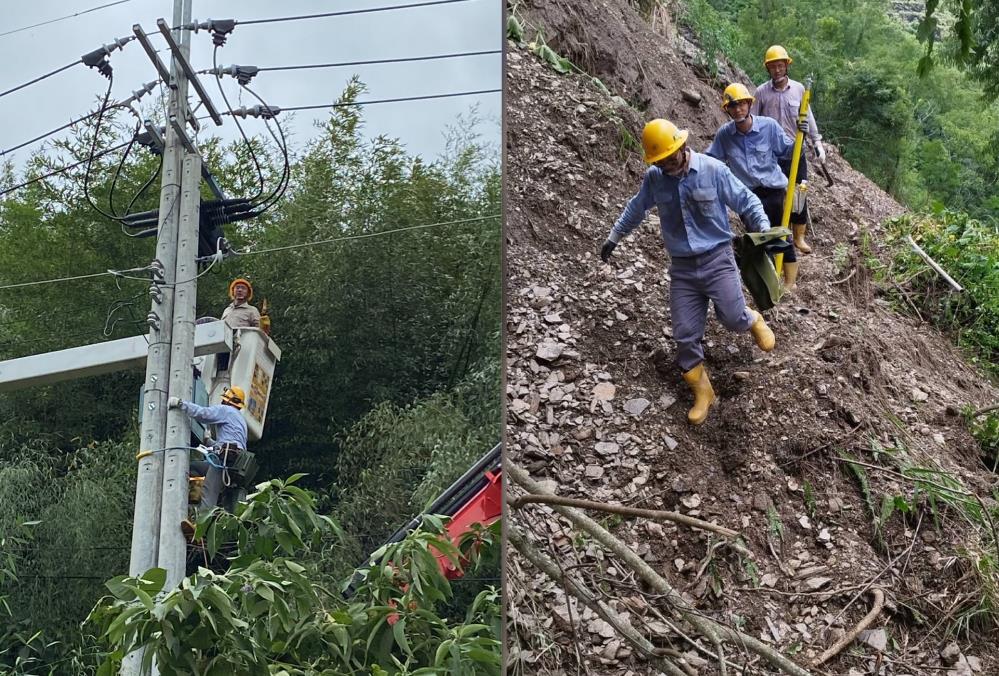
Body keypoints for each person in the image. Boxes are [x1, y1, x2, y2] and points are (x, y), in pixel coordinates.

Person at [600, 118, 776, 426]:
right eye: (660, 162)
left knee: (732, 319)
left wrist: (763, 229)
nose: (667, 165)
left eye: (670, 158)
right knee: (684, 336)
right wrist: (614, 237)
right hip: (682, 269)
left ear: (682, 146)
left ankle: (752, 319)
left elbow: (746, 200)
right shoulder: (655, 178)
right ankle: (704, 392)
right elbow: (636, 208)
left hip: (717, 259)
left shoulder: (712, 170)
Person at [707, 82, 805, 291]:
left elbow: (788, 152)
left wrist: (800, 137)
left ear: (749, 105)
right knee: (759, 239)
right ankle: (768, 283)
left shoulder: (768, 126)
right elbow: (710, 159)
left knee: (781, 235)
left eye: (742, 104)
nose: (738, 109)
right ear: (728, 110)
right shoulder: (725, 135)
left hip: (774, 191)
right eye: (733, 106)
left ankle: (790, 284)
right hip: (747, 196)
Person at [750, 45, 825, 254]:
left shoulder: (800, 89)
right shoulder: (761, 93)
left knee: (799, 193)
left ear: (786, 66)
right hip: (771, 155)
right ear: (768, 69)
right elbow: (752, 122)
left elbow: (808, 117)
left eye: (780, 65)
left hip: (796, 151)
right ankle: (775, 235)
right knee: (774, 196)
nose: (777, 70)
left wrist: (817, 142)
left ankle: (799, 237)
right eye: (773, 67)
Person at [168, 386, 248, 532]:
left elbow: (202, 413)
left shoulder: (226, 411)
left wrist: (181, 404)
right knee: (193, 467)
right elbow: (228, 443)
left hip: (224, 460)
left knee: (209, 491)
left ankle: (200, 528)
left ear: (228, 399)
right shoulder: (241, 420)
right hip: (234, 462)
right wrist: (208, 441)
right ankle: (195, 509)